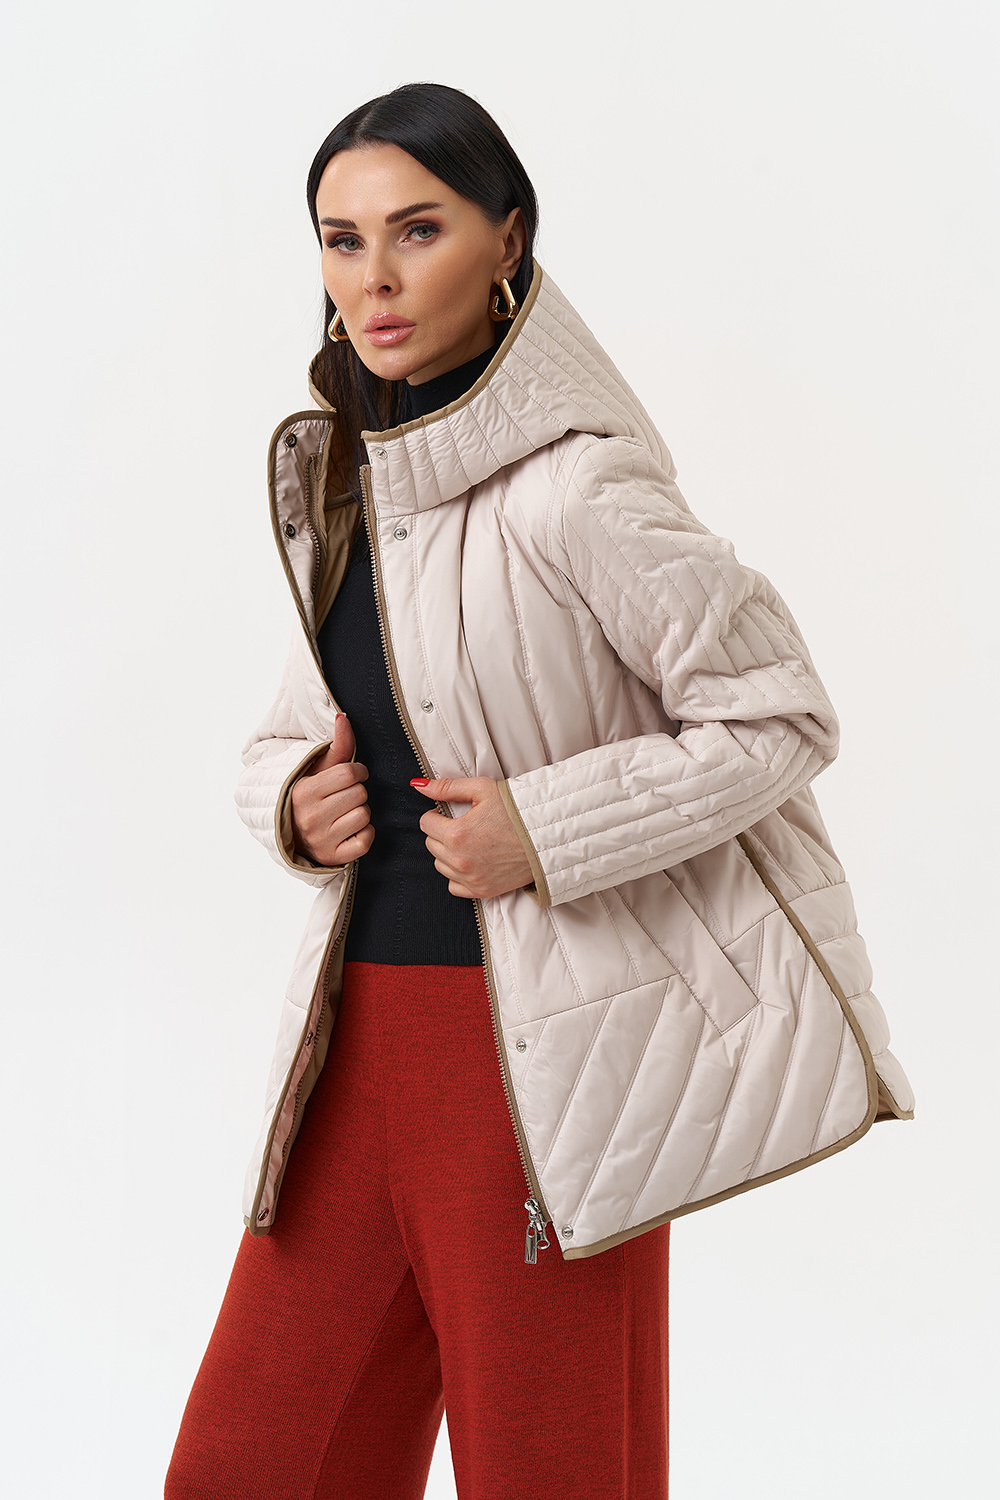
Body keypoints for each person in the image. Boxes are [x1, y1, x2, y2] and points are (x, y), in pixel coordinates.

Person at [165, 82, 913, 1500]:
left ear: (507, 238)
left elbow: (781, 712)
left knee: (551, 1472)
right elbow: (297, 727)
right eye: (341, 240)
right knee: (248, 1464)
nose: (374, 280)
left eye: (418, 230)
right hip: (353, 1042)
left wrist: (546, 829)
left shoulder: (581, 487)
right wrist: (293, 805)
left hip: (550, 1062)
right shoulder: (350, 486)